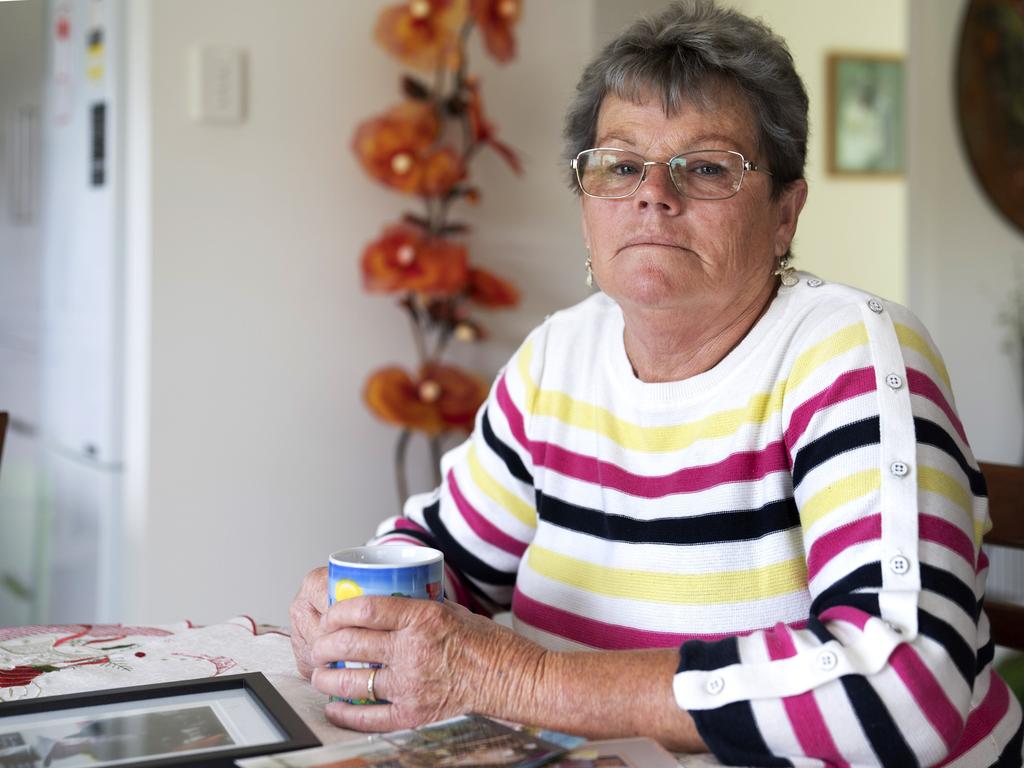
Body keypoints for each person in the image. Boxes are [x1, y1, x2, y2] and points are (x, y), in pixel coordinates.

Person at [290, 2, 1024, 765]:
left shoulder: (853, 355)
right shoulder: (557, 360)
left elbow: (905, 694)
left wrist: (527, 681)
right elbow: (441, 558)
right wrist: (356, 613)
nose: (653, 194)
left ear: (784, 214)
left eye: (706, 167)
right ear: (586, 209)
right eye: (620, 164)